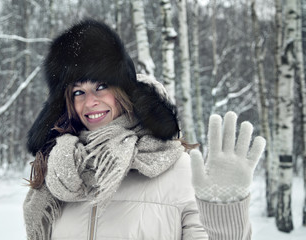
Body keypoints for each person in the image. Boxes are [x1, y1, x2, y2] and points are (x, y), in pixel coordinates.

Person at [23, 19, 266, 240]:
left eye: (101, 86)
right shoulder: (59, 172)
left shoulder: (177, 169)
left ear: (124, 90)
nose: (90, 102)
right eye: (78, 92)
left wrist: (225, 220)